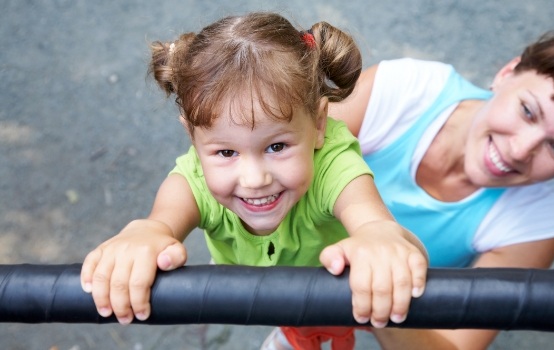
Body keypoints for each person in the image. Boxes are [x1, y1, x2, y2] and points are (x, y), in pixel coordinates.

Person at [79, 11, 428, 350]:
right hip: (272, 286)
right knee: (292, 326)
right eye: (226, 153)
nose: (254, 179)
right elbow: (160, 223)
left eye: (276, 146)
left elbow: (371, 219)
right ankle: (291, 333)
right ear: (192, 137)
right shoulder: (194, 179)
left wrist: (378, 236)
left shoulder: (333, 165)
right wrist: (143, 234)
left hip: (334, 291)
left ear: (319, 124)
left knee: (374, 300)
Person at [326, 29, 554, 349]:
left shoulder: (541, 216)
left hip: (371, 320)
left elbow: (456, 345)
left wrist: (383, 292)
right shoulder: (404, 90)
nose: (519, 150)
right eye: (527, 111)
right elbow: (278, 159)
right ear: (506, 74)